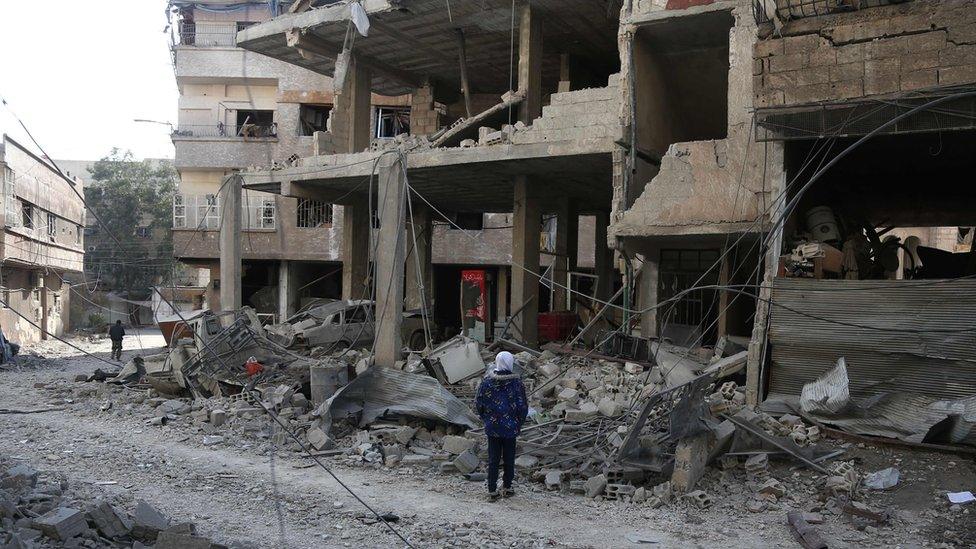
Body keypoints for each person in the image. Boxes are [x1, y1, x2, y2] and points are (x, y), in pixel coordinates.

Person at [475, 351, 529, 502]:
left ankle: (492, 490)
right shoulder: (517, 384)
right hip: (510, 429)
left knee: (493, 459)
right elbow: (522, 406)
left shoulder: (486, 382)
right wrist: (519, 423)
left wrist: (486, 419)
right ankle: (507, 487)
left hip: (492, 428)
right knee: (509, 458)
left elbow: (479, 403)